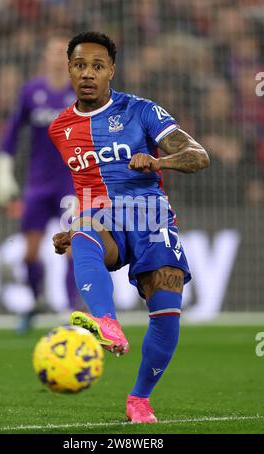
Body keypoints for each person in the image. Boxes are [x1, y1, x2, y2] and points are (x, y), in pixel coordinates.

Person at [49, 32, 210, 423]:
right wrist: (73, 233)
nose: (88, 73)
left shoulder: (142, 111)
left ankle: (140, 398)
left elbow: (198, 156)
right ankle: (106, 322)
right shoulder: (60, 129)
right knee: (84, 224)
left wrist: (160, 163)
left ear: (111, 71)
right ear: (69, 69)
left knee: (168, 312)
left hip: (153, 220)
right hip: (103, 218)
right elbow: (81, 188)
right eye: (80, 65)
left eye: (97, 66)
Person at [0, 34, 78, 333]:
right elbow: (12, 133)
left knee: (71, 248)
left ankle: (71, 310)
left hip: (70, 182)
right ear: (45, 57)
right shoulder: (32, 91)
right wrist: (4, 170)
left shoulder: (79, 91)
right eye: (53, 52)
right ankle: (36, 300)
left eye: (63, 53)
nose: (57, 58)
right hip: (38, 184)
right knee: (30, 253)